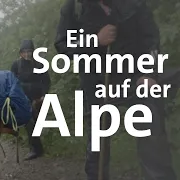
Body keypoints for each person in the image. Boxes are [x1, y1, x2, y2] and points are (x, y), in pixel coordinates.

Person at [54, 0, 177, 180]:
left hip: (134, 76)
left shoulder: (135, 4)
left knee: (151, 128)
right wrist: (95, 40)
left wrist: (149, 73)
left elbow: (150, 39)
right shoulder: (74, 8)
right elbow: (62, 45)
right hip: (95, 80)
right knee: (98, 138)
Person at [11, 39, 51, 160]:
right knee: (29, 123)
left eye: (29, 51)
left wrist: (44, 95)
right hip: (24, 98)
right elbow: (12, 81)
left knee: (37, 123)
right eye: (24, 52)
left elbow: (46, 81)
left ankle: (37, 147)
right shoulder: (16, 65)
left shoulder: (40, 64)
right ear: (21, 53)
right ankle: (35, 149)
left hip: (38, 98)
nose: (27, 54)